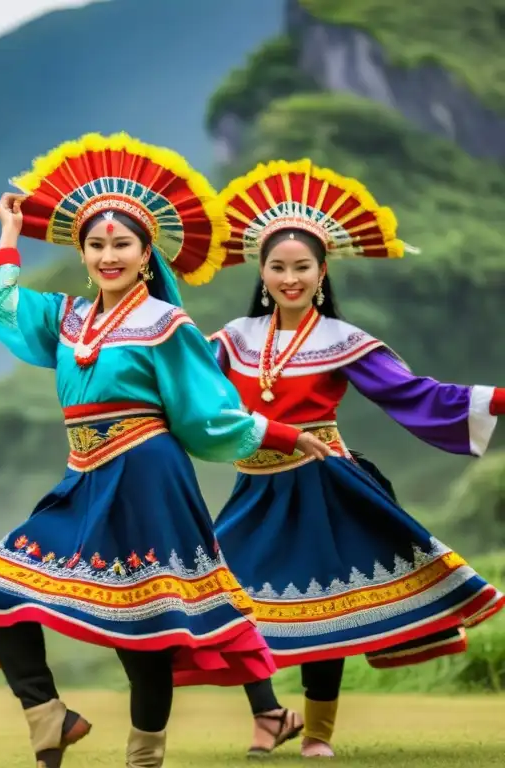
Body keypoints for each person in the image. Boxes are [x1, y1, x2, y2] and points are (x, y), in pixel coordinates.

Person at [0, 133, 333, 768]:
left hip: (148, 473)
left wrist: (284, 434)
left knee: (146, 628)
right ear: (82, 251)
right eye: (95, 244)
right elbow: (1, 307)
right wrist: (9, 235)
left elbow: (207, 411)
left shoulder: (166, 323)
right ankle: (50, 717)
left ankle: (144, 756)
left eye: (121, 244)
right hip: (82, 476)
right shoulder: (66, 319)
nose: (107, 255)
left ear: (146, 252)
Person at [206, 159, 505, 758]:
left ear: (321, 273)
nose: (290, 278)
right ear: (261, 272)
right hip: (255, 486)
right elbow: (191, 392)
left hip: (324, 485)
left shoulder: (340, 340)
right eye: (278, 266)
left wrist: (497, 397)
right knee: (221, 600)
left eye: (302, 267)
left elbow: (413, 392)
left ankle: (316, 734)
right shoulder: (232, 337)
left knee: (327, 610)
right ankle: (270, 715)